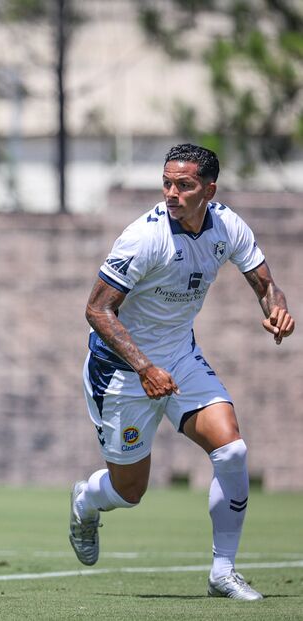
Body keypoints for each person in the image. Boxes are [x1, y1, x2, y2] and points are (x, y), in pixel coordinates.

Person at [69, 144, 295, 600]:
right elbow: (97, 311)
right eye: (167, 183)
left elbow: (265, 283)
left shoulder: (227, 225)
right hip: (121, 371)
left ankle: (223, 571)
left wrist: (277, 310)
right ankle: (86, 501)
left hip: (180, 357)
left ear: (209, 190)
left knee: (231, 452)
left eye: (184, 185)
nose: (172, 193)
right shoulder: (143, 238)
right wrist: (145, 367)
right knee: (130, 491)